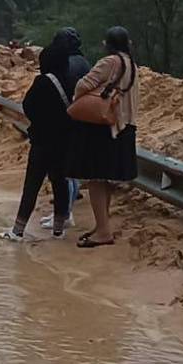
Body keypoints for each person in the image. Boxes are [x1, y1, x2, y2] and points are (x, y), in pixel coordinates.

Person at [67, 27, 139, 248]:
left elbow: (83, 84)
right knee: (107, 178)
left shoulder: (109, 63)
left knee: (96, 178)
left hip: (104, 127)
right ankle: (102, 225)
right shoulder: (133, 66)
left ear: (106, 44)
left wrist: (80, 102)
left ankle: (103, 231)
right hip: (125, 126)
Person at [0, 45, 76, 241]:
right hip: (64, 141)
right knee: (60, 183)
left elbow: (28, 106)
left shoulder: (42, 81)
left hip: (43, 140)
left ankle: (18, 230)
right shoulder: (71, 81)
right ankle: (59, 229)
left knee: (32, 185)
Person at [38, 28, 92, 232]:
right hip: (81, 119)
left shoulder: (67, 64)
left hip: (66, 120)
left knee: (63, 172)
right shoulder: (84, 62)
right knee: (71, 171)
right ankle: (65, 212)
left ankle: (65, 214)